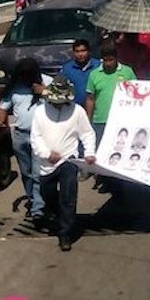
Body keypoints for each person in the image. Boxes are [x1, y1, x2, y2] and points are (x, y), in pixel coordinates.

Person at [30, 76, 96, 252]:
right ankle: (59, 217)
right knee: (47, 194)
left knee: (68, 197)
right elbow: (35, 137)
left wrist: (89, 152)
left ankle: (65, 233)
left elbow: (87, 134)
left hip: (69, 159)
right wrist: (46, 153)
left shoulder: (78, 111)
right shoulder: (39, 112)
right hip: (46, 164)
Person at [0, 58, 52, 222]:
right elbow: (3, 106)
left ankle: (37, 210)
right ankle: (34, 200)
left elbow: (63, 99)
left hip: (39, 135)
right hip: (20, 135)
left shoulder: (47, 81)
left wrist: (43, 91)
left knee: (37, 173)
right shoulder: (14, 86)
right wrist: (0, 121)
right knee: (26, 173)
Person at [85, 43, 136, 144]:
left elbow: (134, 94)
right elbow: (90, 99)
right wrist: (88, 120)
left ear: (117, 59)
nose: (108, 63)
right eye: (105, 60)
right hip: (100, 121)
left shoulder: (127, 72)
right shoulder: (94, 74)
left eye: (111, 60)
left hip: (122, 120)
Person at [60, 39, 100, 107]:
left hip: (95, 107)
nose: (80, 54)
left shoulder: (98, 66)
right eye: (77, 51)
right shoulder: (67, 68)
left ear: (89, 51)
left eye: (83, 51)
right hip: (74, 108)